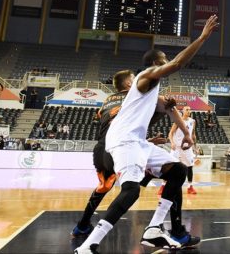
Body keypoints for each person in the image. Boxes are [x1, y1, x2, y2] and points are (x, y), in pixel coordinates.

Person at [74, 15, 218, 254]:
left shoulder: (151, 91)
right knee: (131, 191)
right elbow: (177, 64)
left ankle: (153, 229)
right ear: (154, 63)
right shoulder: (145, 77)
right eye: (163, 60)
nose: (167, 62)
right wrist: (202, 38)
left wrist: (187, 134)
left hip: (138, 143)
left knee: (178, 171)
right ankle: (88, 246)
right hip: (123, 141)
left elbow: (169, 110)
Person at [71, 70, 171, 238]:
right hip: (121, 146)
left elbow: (112, 122)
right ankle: (162, 228)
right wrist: (163, 110)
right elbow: (142, 119)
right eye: (134, 79)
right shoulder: (135, 97)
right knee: (169, 171)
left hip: (102, 149)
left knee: (103, 187)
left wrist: (146, 141)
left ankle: (82, 226)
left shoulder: (107, 100)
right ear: (129, 84)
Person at [166, 106, 197, 195]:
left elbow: (193, 134)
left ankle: (190, 187)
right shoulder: (178, 121)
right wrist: (172, 143)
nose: (189, 111)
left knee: (190, 167)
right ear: (183, 111)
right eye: (187, 109)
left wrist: (195, 147)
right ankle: (163, 186)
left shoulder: (192, 121)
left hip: (187, 148)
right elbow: (170, 133)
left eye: (190, 110)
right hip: (177, 147)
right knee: (169, 166)